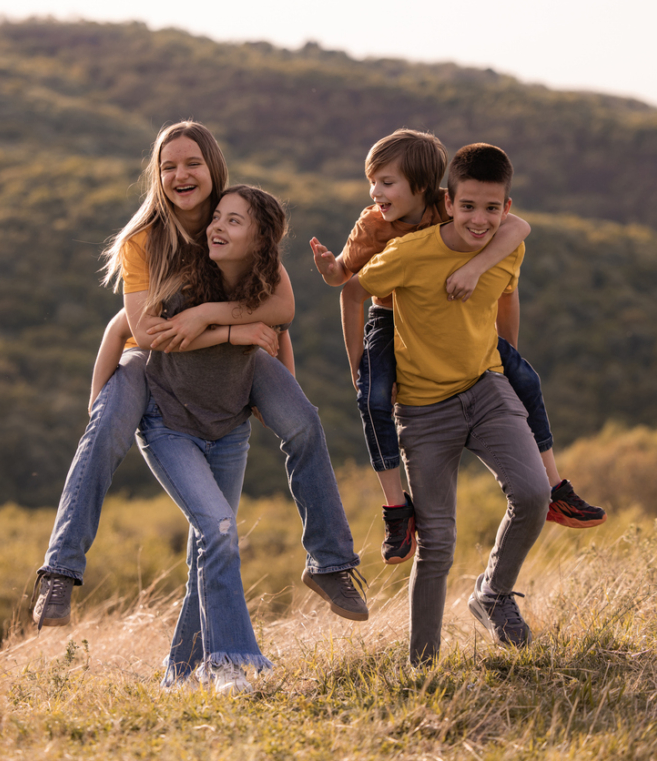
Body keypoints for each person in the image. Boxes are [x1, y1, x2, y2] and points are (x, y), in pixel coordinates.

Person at [33, 122, 366, 630]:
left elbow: (278, 308)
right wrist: (228, 330)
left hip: (230, 379)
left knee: (296, 433)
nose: (180, 174)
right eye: (168, 167)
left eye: (192, 163)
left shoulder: (235, 219)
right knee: (112, 440)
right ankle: (60, 571)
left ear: (214, 168)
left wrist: (211, 316)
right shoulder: (145, 241)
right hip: (155, 368)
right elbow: (140, 332)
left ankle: (329, 564)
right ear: (156, 177)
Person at [311, 129, 604, 567]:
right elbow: (345, 279)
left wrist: (505, 348)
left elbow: (518, 226)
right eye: (373, 182)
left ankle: (554, 488)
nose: (376, 192)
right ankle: (396, 507)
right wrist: (354, 357)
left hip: (450, 325)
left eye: (387, 183)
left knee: (525, 378)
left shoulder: (452, 207)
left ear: (427, 191)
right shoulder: (373, 223)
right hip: (388, 320)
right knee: (371, 399)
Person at [348, 142, 550, 665]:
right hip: (421, 408)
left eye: (491, 208)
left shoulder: (508, 246)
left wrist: (510, 358)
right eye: (467, 207)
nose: (479, 220)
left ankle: (492, 594)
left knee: (533, 495)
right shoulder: (410, 253)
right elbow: (353, 290)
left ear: (506, 209)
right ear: (447, 200)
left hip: (485, 388)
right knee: (437, 541)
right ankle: (423, 666)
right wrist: (360, 365)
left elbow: (508, 296)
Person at [134, 185, 292, 694]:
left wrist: (281, 401)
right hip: (169, 425)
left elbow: (281, 321)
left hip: (229, 432)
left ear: (260, 239)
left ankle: (177, 677)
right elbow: (130, 330)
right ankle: (227, 662)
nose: (218, 227)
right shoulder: (186, 271)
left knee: (210, 547)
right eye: (216, 218)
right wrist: (101, 409)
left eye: (233, 221)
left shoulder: (258, 282)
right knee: (220, 530)